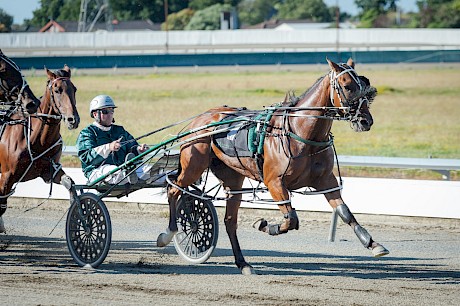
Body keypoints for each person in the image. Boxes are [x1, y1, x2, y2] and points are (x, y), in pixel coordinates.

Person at [76, 95, 150, 185]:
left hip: (123, 167)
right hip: (97, 171)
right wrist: (108, 147)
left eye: (112, 111)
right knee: (114, 171)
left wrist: (139, 150)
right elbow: (86, 156)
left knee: (148, 170)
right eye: (105, 111)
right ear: (95, 114)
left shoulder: (119, 130)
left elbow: (132, 148)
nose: (110, 114)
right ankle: (128, 175)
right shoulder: (87, 133)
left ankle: (168, 176)